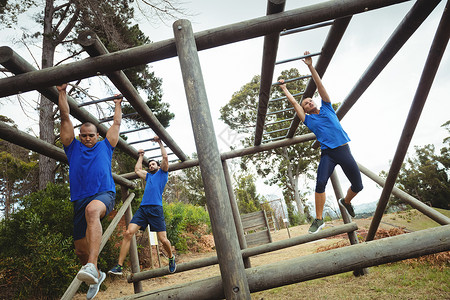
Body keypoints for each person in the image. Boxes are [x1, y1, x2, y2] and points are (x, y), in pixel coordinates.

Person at [278, 51, 363, 234]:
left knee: (358, 185)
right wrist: (285, 89)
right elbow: (295, 104)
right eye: (306, 104)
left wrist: (310, 65)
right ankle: (318, 219)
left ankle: (345, 201)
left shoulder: (327, 108)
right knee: (320, 183)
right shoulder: (309, 120)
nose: (308, 103)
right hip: (328, 154)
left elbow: (319, 84)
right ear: (305, 110)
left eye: (310, 100)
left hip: (343, 150)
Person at [57, 83, 122, 299]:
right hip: (79, 200)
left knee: (93, 211)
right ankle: (96, 273)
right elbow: (65, 117)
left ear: (97, 135)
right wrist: (62, 92)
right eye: (83, 135)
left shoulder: (106, 146)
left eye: (91, 135)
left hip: (104, 194)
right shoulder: (72, 147)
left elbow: (116, 123)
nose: (87, 138)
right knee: (80, 252)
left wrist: (118, 104)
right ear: (79, 136)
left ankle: (93, 266)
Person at [108, 136, 176, 275]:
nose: (151, 166)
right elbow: (137, 170)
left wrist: (160, 142)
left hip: (156, 209)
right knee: (128, 233)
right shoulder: (149, 176)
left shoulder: (163, 173)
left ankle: (171, 257)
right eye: (149, 165)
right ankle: (119, 266)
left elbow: (165, 158)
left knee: (163, 240)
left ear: (158, 166)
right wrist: (141, 156)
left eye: (153, 164)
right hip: (143, 209)